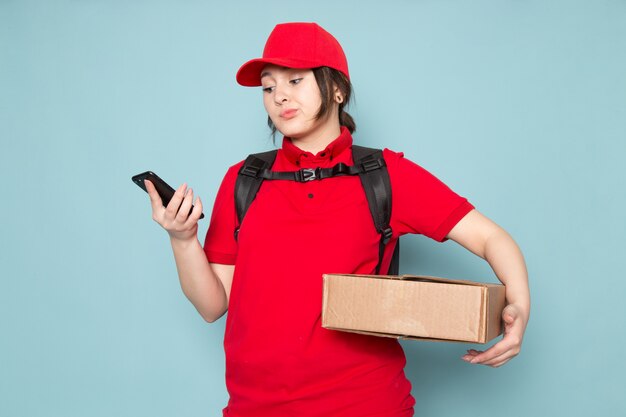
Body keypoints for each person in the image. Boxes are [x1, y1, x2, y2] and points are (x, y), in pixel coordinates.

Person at [144, 22, 530, 417]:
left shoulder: (384, 175)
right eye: (268, 86)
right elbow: (212, 306)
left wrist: (519, 306)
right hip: (255, 408)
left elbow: (490, 238)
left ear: (338, 89)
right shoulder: (244, 181)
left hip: (365, 404)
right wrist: (184, 239)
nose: (279, 96)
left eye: (295, 80)